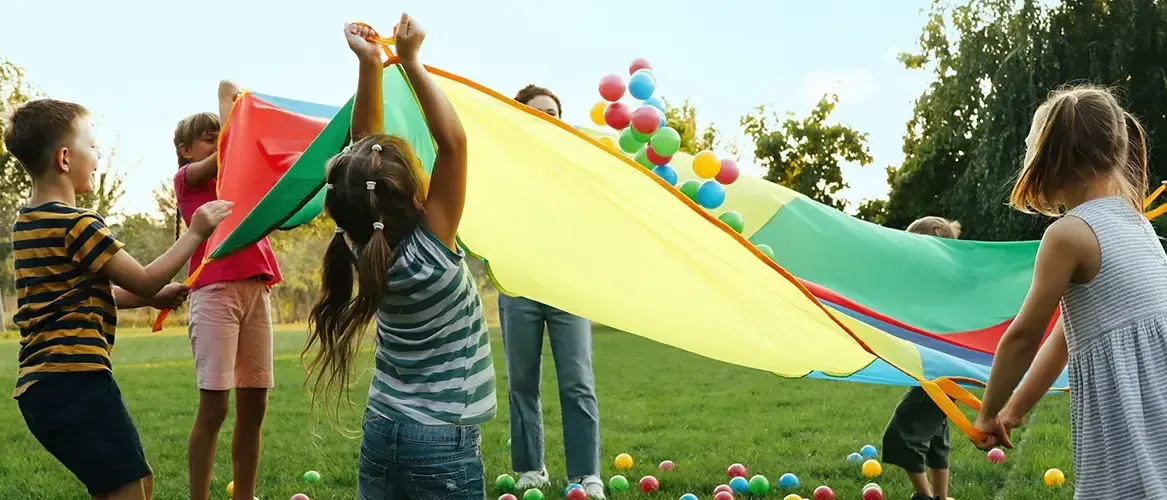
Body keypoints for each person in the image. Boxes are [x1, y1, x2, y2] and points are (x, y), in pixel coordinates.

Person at [302, 16, 492, 499]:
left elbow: (363, 155)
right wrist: (409, 61)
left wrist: (370, 65)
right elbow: (454, 143)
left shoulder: (361, 248)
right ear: (416, 197)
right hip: (440, 441)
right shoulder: (432, 254)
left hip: (382, 429)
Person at [5, 98, 232, 499]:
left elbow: (84, 294)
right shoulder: (77, 224)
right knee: (128, 488)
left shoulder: (28, 223)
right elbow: (145, 279)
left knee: (137, 481)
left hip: (44, 386)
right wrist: (196, 232)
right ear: (64, 158)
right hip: (75, 379)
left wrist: (152, 299)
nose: (98, 156)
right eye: (92, 146)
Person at [974, 84, 1167, 498]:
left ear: (1051, 156)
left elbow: (1024, 336)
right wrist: (1015, 409)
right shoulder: (1136, 223)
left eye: (1030, 146)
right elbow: (1066, 335)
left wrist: (988, 412)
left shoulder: (1068, 235)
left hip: (1133, 414)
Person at [172, 80, 282, 500]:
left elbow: (249, 157)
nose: (217, 140)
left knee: (255, 407)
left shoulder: (237, 178)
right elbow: (229, 150)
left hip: (256, 290)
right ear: (186, 150)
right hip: (215, 292)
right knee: (215, 408)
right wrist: (226, 102)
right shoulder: (187, 180)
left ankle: (244, 496)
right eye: (208, 137)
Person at [502, 84, 604, 498]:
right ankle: (531, 468)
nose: (549, 118)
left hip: (567, 286)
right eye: (540, 112)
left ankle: (586, 474)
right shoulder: (505, 166)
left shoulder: (573, 164)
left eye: (555, 113)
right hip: (519, 284)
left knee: (577, 382)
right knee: (522, 382)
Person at [880, 216, 962, 500]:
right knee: (936, 436)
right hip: (941, 374)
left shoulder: (939, 286)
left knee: (900, 433)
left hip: (942, 375)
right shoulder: (936, 285)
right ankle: (941, 496)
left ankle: (925, 496)